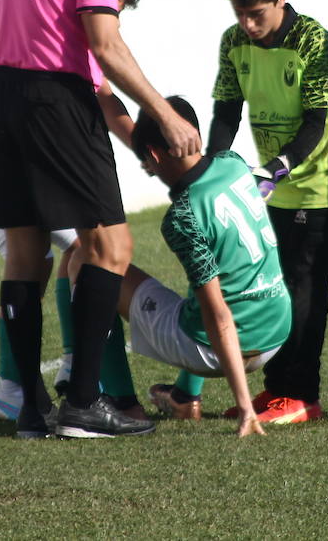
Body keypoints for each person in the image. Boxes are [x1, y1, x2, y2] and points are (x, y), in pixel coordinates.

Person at [0, 0, 200, 439]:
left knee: (25, 257)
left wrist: (3, 103)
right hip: (57, 100)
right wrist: (162, 112)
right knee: (111, 246)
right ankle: (81, 404)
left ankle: (30, 411)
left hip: (2, 97)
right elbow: (104, 41)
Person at [0, 0, 143, 422]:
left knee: (74, 249)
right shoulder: (77, 35)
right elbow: (106, 99)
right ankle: (15, 388)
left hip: (2, 148)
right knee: (43, 255)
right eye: (113, 11)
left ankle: (66, 368)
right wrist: (150, 146)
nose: (113, 23)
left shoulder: (47, 23)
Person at [84, 96, 290, 438]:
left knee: (93, 265)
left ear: (151, 155)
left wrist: (245, 408)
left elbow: (218, 316)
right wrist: (102, 90)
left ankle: (121, 401)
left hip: (218, 351)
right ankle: (183, 396)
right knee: (211, 283)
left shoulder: (183, 216)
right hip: (277, 333)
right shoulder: (233, 163)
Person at [206, 0, 328, 424]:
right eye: (240, 14)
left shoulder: (314, 41)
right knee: (273, 287)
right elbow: (227, 110)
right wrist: (210, 169)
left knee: (305, 285)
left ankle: (303, 395)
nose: (248, 25)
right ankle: (276, 391)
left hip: (318, 185)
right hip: (270, 187)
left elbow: (315, 123)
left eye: (257, 14)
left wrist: (276, 167)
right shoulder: (233, 42)